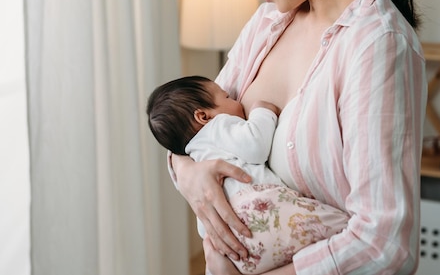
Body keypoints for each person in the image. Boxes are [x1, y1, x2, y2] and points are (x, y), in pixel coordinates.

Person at [168, 0, 428, 274]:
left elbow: (384, 245)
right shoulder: (270, 21)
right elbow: (195, 122)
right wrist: (188, 173)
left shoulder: (378, 45)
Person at [147, 76, 349, 274]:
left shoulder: (193, 155)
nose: (237, 102)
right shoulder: (217, 127)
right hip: (263, 212)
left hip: (238, 249)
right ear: (203, 117)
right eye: (228, 97)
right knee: (343, 227)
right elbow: (255, 146)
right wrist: (263, 111)